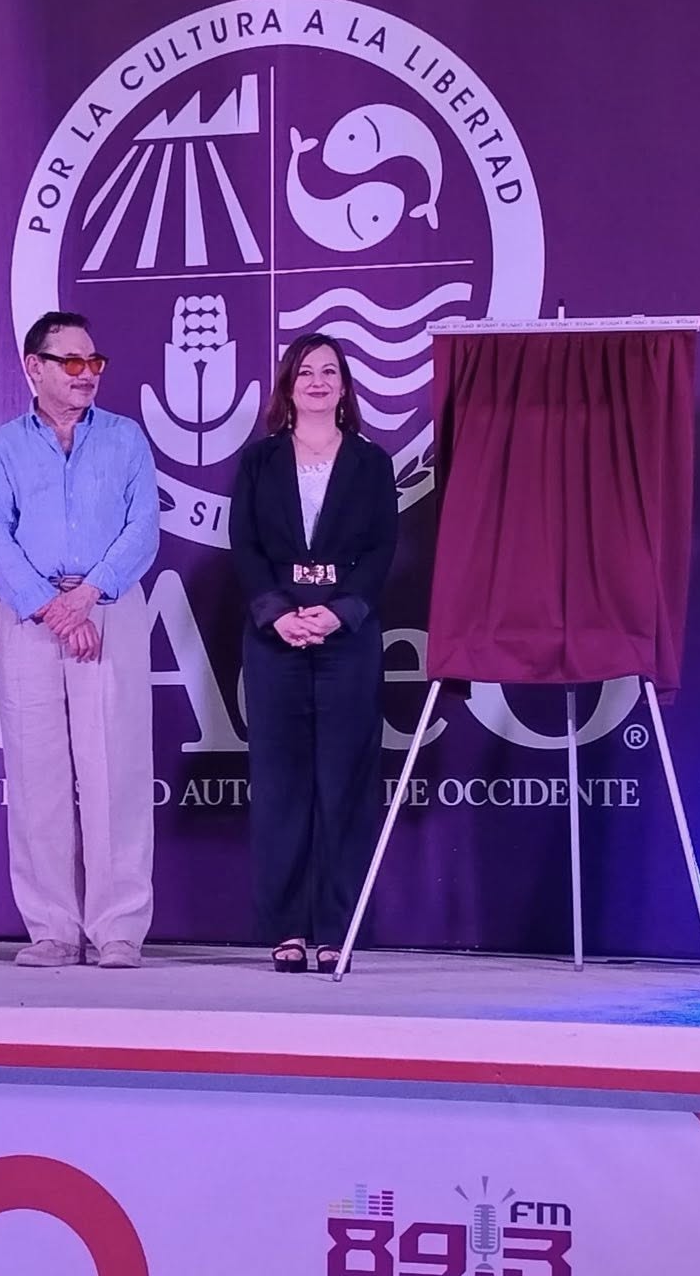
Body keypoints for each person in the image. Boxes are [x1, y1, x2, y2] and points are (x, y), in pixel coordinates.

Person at [0, 312, 159, 970]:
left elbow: (143, 528)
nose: (87, 375)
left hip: (107, 606)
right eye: (72, 363)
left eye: (94, 362)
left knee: (116, 770)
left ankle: (118, 929)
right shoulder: (4, 445)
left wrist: (87, 596)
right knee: (37, 775)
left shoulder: (125, 438)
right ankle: (51, 928)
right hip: (31, 616)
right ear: (35, 367)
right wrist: (52, 607)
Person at [229, 335, 399, 974]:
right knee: (281, 786)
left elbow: (383, 548)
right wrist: (278, 613)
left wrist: (339, 611)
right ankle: (287, 929)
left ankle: (337, 930)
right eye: (306, 372)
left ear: (346, 386)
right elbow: (244, 545)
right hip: (273, 639)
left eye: (330, 371)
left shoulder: (371, 461)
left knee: (345, 784)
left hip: (347, 639)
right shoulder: (259, 461)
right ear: (288, 385)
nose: (319, 381)